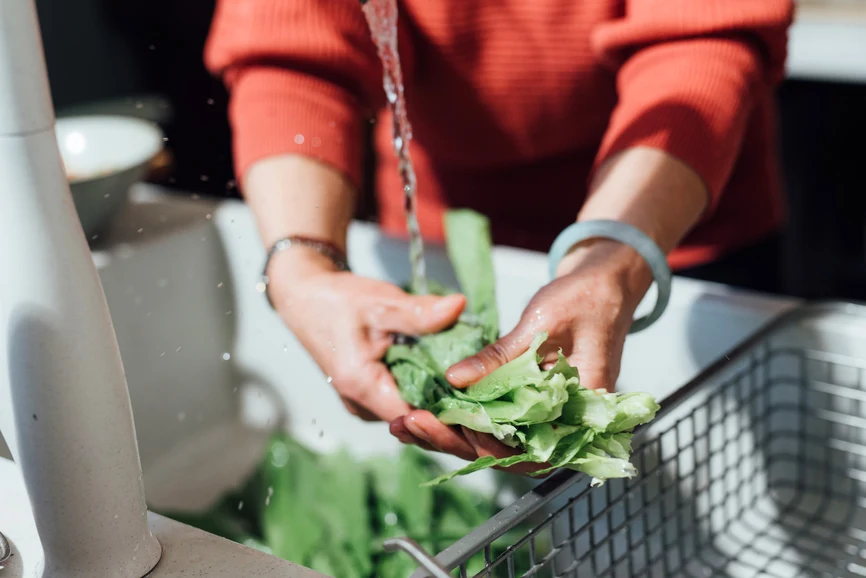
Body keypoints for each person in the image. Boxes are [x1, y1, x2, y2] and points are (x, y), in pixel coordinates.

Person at [204, 0, 793, 465]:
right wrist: (301, 263)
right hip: (440, 244)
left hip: (671, 220)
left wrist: (616, 249)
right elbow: (293, 57)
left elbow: (700, 36)